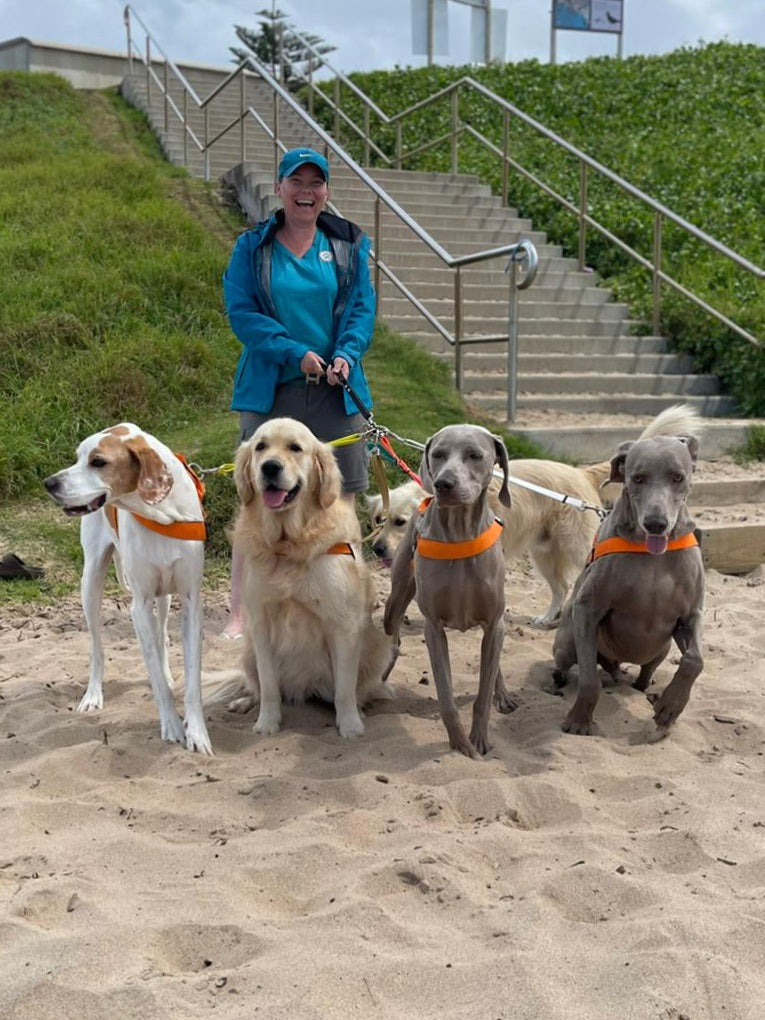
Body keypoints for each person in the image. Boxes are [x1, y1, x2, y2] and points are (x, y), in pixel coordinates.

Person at [221, 146, 376, 637]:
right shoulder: (253, 247)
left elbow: (361, 308)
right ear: (281, 188)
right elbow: (243, 313)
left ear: (326, 192)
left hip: (336, 389)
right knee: (257, 500)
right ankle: (242, 614)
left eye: (316, 183)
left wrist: (346, 355)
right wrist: (295, 352)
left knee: (342, 496)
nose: (306, 192)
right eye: (296, 182)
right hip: (274, 388)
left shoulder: (349, 245)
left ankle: (345, 600)